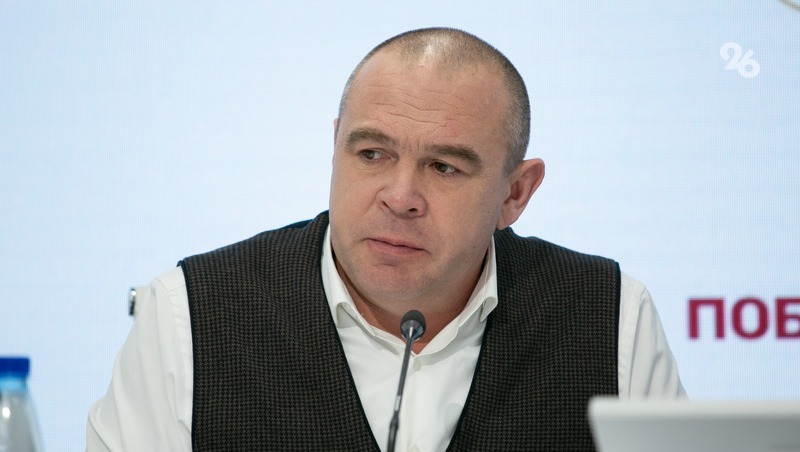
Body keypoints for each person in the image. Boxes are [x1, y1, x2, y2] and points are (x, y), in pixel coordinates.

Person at [87, 27, 685, 451]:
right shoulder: (187, 314)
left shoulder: (610, 316)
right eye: (372, 154)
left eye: (444, 167)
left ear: (515, 193)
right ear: (336, 148)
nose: (400, 197)